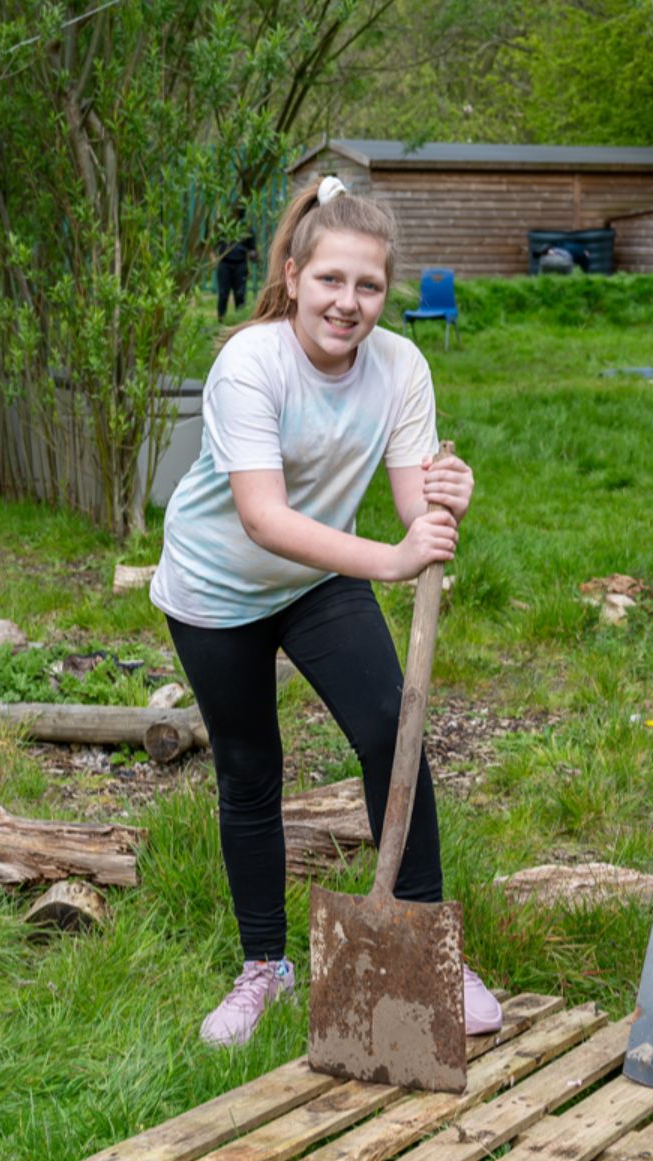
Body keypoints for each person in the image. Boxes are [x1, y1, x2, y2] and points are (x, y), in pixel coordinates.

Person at [152, 175, 501, 1048]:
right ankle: (264, 965)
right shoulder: (250, 362)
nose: (349, 304)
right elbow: (263, 518)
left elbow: (415, 506)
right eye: (332, 282)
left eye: (370, 287)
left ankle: (425, 945)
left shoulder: (401, 366)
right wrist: (390, 558)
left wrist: (444, 498)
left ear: (388, 291)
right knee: (249, 768)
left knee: (393, 728)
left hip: (316, 578)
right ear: (297, 275)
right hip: (218, 589)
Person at [215, 234, 253, 320]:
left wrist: (253, 254)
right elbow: (213, 243)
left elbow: (252, 248)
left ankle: (240, 320)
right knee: (223, 294)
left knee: (240, 294)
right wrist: (214, 259)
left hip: (241, 263)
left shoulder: (246, 227)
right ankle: (221, 318)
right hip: (224, 263)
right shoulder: (222, 225)